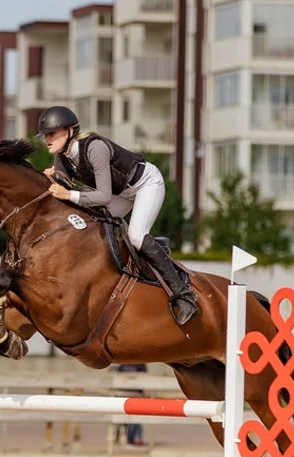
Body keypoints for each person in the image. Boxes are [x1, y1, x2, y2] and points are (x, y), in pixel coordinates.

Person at [35, 105, 199, 326]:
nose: (47, 139)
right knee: (91, 226)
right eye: (46, 135)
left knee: (137, 236)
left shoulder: (95, 148)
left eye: (52, 133)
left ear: (70, 131)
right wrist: (53, 179)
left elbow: (102, 197)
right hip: (121, 193)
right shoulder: (62, 157)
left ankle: (184, 294)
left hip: (146, 184)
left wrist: (68, 193)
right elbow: (65, 188)